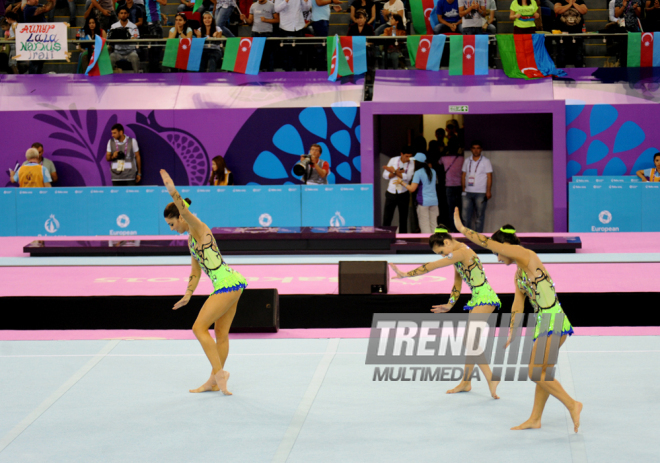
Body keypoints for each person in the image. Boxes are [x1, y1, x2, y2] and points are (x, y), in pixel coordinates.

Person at [453, 211, 582, 432]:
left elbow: (486, 241)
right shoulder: (519, 274)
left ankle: (572, 404)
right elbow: (518, 304)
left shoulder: (526, 255)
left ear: (504, 246)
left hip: (554, 320)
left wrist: (463, 229)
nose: (498, 257)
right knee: (544, 373)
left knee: (534, 372)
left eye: (497, 253)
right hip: (545, 322)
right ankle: (535, 418)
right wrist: (513, 330)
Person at [161, 170, 247, 395]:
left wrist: (172, 190)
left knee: (198, 328)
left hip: (227, 283)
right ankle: (213, 381)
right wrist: (188, 294)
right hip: (232, 284)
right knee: (221, 333)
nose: (172, 229)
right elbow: (196, 272)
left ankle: (220, 374)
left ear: (181, 217)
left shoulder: (198, 228)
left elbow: (183, 208)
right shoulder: (191, 242)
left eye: (172, 224)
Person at [389, 225, 501, 398]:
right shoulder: (457, 257)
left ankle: (490, 378)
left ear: (447, 242)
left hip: (486, 297)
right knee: (470, 341)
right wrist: (450, 304)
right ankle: (466, 382)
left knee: (470, 340)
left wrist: (406, 274)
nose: (442, 255)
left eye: (442, 251)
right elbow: (457, 282)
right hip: (477, 298)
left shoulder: (462, 252)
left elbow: (434, 265)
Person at [396, 153, 439, 234]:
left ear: (417, 162)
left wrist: (401, 182)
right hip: (434, 202)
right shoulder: (433, 171)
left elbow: (412, 189)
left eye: (415, 161)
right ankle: (436, 244)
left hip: (423, 202)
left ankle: (427, 245)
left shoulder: (418, 173)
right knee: (434, 224)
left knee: (424, 226)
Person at [461, 140, 492, 233]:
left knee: (479, 216)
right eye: (474, 148)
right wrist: (463, 188)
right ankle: (467, 236)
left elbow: (489, 176)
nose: (476, 150)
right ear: (471, 149)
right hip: (467, 192)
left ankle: (478, 237)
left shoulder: (486, 161)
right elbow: (463, 175)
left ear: (481, 149)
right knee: (465, 216)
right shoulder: (467, 161)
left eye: (478, 148)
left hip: (481, 192)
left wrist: (488, 191)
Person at [382, 146, 415, 233]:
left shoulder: (411, 163)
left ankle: (403, 239)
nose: (408, 158)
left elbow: (407, 178)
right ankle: (385, 238)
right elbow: (385, 175)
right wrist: (396, 172)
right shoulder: (393, 160)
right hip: (391, 192)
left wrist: (394, 171)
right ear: (401, 154)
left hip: (403, 193)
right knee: (387, 218)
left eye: (410, 156)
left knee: (403, 219)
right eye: (406, 156)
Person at [241, 0, 278, 71]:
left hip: (267, 33)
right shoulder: (253, 6)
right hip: (255, 33)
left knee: (268, 55)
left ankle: (270, 73)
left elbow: (277, 20)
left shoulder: (271, 5)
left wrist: (266, 20)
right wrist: (244, 19)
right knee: (255, 55)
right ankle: (255, 73)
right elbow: (250, 21)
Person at [274, 0, 311, 70]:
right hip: (286, 27)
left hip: (299, 26)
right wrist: (286, 1)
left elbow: (306, 8)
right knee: (287, 52)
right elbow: (276, 9)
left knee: (300, 51)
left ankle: (300, 72)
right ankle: (288, 72)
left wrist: (305, 2)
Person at [22, 0, 55, 74]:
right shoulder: (28, 9)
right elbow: (44, 9)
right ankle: (32, 79)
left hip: (41, 39)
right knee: (34, 62)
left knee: (40, 63)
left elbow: (48, 8)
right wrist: (51, 2)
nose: (37, 0)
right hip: (33, 40)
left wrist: (52, 2)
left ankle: (38, 79)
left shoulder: (37, 6)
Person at [554, 0, 587, 68]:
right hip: (562, 36)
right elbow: (557, 10)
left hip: (577, 35)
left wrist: (573, 3)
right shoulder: (560, 2)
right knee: (561, 57)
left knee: (578, 57)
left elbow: (584, 11)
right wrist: (569, 5)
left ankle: (579, 75)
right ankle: (560, 75)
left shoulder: (580, 2)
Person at [442, 134, 463, 232]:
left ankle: (452, 229)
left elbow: (438, 164)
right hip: (460, 186)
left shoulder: (444, 158)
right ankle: (460, 229)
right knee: (460, 208)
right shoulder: (462, 159)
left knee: (451, 209)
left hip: (449, 186)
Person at [110, 6, 141, 73]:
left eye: (125, 13)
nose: (123, 15)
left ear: (128, 14)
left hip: (130, 52)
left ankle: (137, 77)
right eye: (121, 13)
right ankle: (109, 79)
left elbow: (135, 38)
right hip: (117, 52)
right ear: (118, 14)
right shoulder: (113, 26)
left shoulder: (133, 26)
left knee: (135, 57)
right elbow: (110, 39)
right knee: (111, 58)